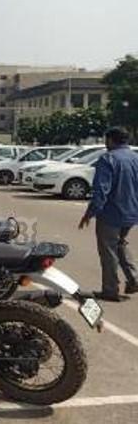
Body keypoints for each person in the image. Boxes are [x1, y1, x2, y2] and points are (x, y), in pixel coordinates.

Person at [78, 127, 138, 302]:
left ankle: (110, 290)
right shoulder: (135, 158)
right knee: (120, 244)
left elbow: (101, 190)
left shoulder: (108, 159)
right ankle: (134, 278)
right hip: (131, 212)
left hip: (111, 213)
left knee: (108, 251)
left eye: (106, 140)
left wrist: (90, 213)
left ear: (111, 140)